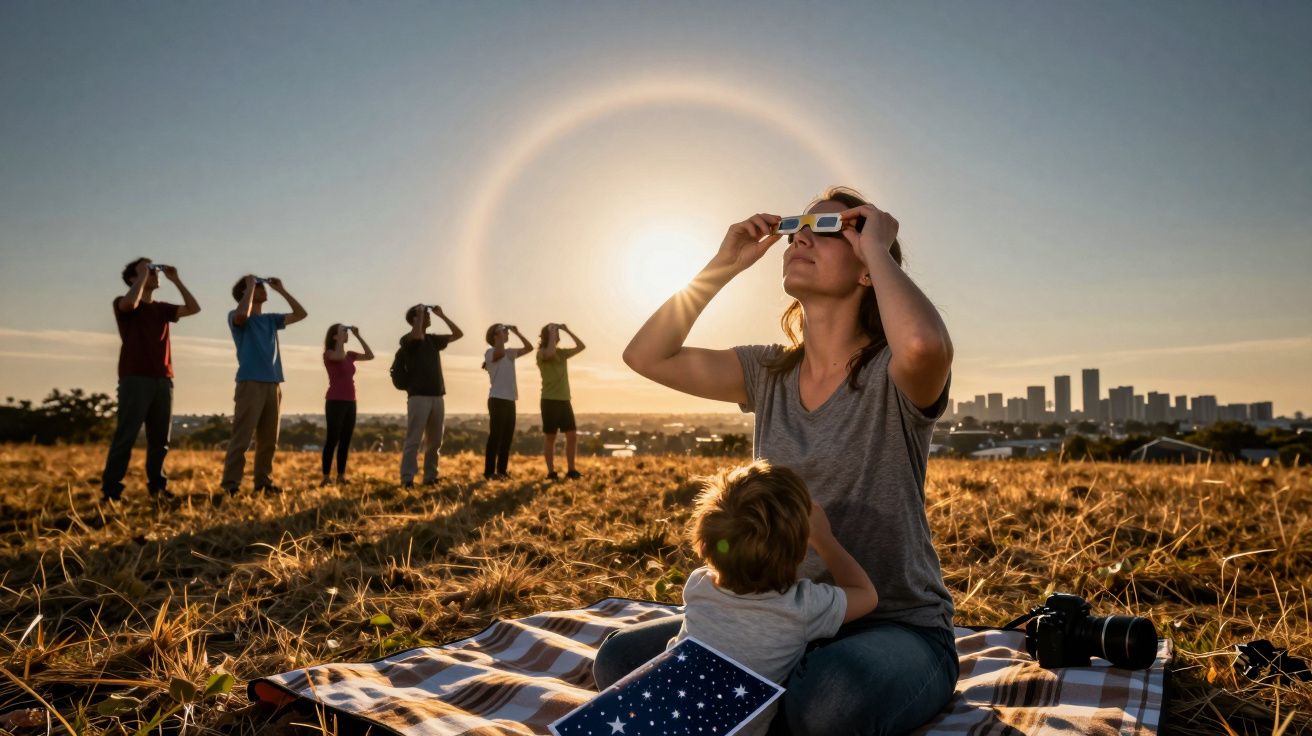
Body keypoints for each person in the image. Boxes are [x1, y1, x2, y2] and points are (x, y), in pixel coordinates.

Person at [600, 187, 958, 734]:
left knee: (828, 704)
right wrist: (722, 266)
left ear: (866, 267)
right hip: (780, 610)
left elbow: (925, 348)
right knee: (618, 660)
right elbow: (646, 355)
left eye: (831, 230)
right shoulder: (768, 372)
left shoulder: (893, 371)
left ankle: (778, 692)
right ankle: (776, 689)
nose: (801, 237)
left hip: (893, 622)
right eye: (798, 229)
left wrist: (880, 251)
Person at [671, 461, 879, 736]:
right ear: (799, 548)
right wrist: (824, 538)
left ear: (706, 540)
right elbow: (866, 595)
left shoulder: (699, 585)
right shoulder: (801, 606)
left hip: (670, 721)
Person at [100, 258, 201, 503]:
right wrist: (145, 273)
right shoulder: (124, 303)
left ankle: (158, 488)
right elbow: (128, 304)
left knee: (160, 440)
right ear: (133, 278)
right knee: (126, 435)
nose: (153, 274)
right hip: (135, 378)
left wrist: (175, 279)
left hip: (163, 379)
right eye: (146, 271)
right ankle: (111, 491)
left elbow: (193, 308)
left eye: (152, 270)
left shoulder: (162, 308)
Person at [220, 275, 307, 497]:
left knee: (269, 440)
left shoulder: (271, 320)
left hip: (273, 383)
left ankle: (263, 483)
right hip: (250, 382)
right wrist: (250, 285)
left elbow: (301, 314)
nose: (263, 289)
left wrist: (282, 290)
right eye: (259, 287)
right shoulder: (237, 316)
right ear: (246, 291)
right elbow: (241, 315)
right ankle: (231, 484)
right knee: (242, 437)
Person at [396, 304, 463, 488]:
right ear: (415, 319)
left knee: (435, 441)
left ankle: (430, 477)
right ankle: (407, 478)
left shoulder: (433, 340)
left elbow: (458, 334)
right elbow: (416, 336)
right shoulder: (408, 339)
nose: (428, 316)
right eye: (426, 315)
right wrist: (418, 314)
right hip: (418, 397)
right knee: (414, 440)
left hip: (437, 396)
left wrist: (442, 315)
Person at [322, 323, 374, 486]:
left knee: (345, 439)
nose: (346, 333)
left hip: (351, 401)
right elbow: (338, 356)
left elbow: (370, 355)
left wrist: (358, 335)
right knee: (333, 439)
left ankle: (341, 476)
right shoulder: (329, 354)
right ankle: (325, 478)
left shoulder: (350, 355)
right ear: (335, 337)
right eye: (342, 332)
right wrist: (339, 333)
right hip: (335, 401)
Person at [536, 322, 586, 480]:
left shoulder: (562, 353)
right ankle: (551, 472)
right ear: (547, 336)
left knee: (572, 435)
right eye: (555, 333)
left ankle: (571, 470)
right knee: (551, 437)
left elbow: (581, 346)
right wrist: (552, 332)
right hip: (549, 400)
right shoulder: (541, 353)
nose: (558, 335)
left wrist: (567, 330)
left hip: (564, 400)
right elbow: (550, 354)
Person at [482, 323, 532, 479]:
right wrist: (499, 335)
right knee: (495, 436)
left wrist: (517, 332)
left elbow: (529, 347)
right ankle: (489, 472)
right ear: (495, 336)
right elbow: (498, 353)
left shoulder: (510, 354)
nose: (506, 332)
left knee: (507, 437)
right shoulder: (490, 352)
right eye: (503, 331)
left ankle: (502, 471)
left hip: (510, 400)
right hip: (497, 399)